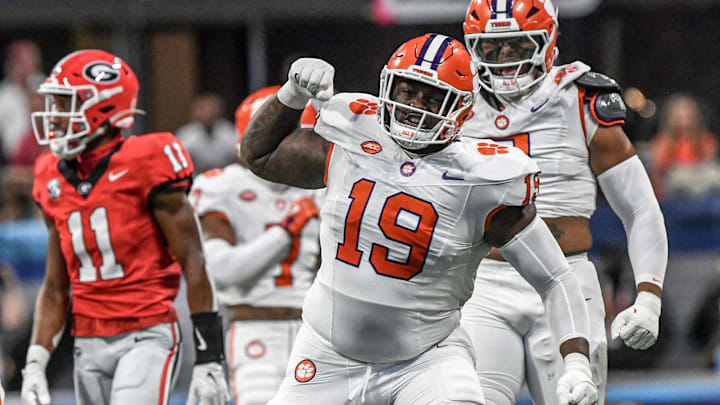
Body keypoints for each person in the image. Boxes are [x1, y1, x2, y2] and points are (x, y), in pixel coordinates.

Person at [241, 33, 598, 405]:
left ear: (459, 107)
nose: (414, 106)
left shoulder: (483, 181)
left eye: (431, 97)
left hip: (426, 361)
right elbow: (259, 156)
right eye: (406, 92)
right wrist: (291, 96)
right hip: (326, 353)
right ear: (386, 87)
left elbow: (555, 277)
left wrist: (575, 363)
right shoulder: (350, 140)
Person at [458, 1, 668, 404]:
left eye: (517, 46)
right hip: (481, 282)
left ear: (547, 42)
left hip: (568, 279)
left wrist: (649, 297)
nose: (504, 59)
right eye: (492, 48)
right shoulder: (455, 101)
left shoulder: (582, 100)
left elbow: (639, 208)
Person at [20, 49, 229, 405]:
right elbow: (56, 286)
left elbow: (194, 261)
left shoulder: (147, 159)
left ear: (102, 106)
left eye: (64, 104)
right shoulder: (49, 174)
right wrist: (36, 362)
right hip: (86, 340)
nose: (53, 117)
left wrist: (209, 357)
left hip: (147, 334)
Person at [189, 86, 322, 405]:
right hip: (255, 329)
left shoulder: (321, 187)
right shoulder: (223, 186)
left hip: (316, 333)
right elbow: (221, 272)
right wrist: (285, 232)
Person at [176, 93, 238, 174]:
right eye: (202, 109)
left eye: (212, 108)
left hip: (225, 176)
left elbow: (240, 159)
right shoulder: (186, 133)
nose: (208, 113)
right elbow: (178, 162)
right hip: (196, 178)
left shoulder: (229, 131)